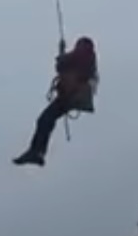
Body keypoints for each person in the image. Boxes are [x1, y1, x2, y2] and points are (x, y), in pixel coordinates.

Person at [14, 37, 98, 167]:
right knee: (46, 119)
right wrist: (62, 53)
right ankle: (37, 152)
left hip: (72, 95)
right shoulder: (85, 60)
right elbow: (62, 66)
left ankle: (36, 152)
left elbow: (64, 63)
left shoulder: (85, 55)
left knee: (45, 119)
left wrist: (62, 55)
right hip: (71, 95)